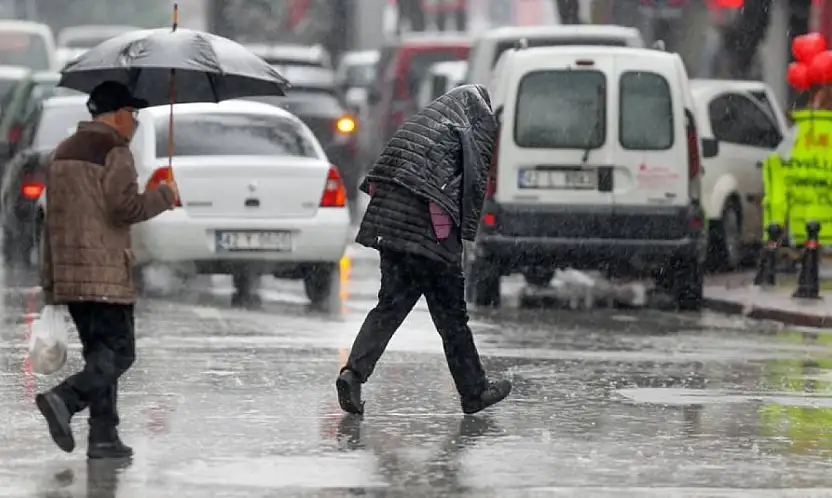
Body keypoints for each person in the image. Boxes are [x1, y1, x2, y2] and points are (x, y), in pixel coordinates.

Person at [336, 84, 511, 415]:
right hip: (430, 238)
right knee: (453, 321)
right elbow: (468, 184)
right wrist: (456, 240)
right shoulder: (469, 128)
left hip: (391, 231)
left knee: (388, 308)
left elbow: (377, 179)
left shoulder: (422, 124)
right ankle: (474, 392)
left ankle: (353, 373)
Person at [36, 81, 179, 459]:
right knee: (120, 354)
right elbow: (125, 208)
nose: (134, 123)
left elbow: (49, 217)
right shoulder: (115, 151)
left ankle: (103, 437)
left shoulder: (61, 152)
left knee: (100, 355)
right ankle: (64, 399)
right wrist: (163, 195)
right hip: (104, 273)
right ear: (118, 116)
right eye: (132, 115)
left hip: (68, 272)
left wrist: (50, 281)